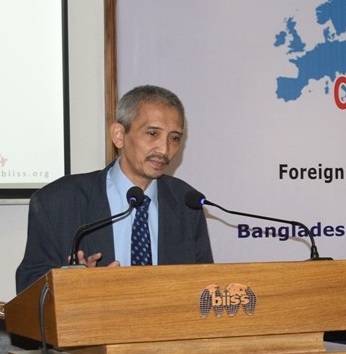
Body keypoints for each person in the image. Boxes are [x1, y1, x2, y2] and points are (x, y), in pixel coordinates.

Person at [15, 85, 213, 292]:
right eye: (152, 133)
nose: (164, 149)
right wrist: (73, 287)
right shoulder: (58, 201)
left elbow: (205, 289)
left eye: (174, 138)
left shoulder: (187, 203)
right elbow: (29, 289)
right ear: (119, 135)